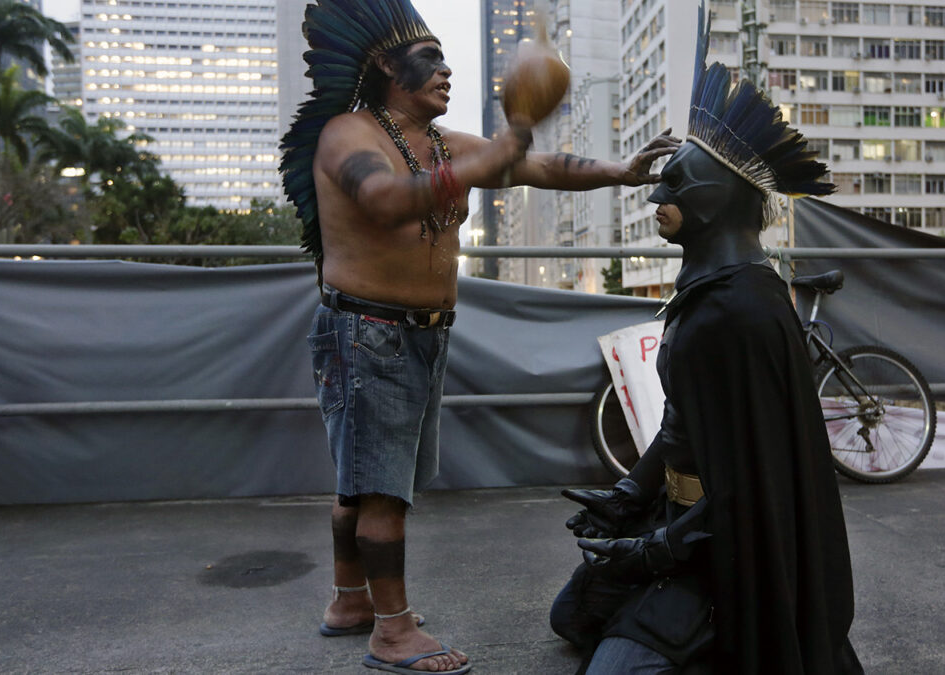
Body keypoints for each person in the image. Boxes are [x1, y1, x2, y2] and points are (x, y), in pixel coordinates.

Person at [278, 1, 678, 672]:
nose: (447, 69)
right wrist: (493, 154)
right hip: (367, 330)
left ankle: (351, 601)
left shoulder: (436, 143)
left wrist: (623, 171)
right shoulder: (349, 135)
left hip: (419, 336)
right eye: (430, 58)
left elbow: (538, 168)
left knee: (365, 479)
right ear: (384, 65)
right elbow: (385, 199)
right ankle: (393, 631)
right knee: (379, 488)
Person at [549, 8, 863, 674]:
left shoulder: (741, 315)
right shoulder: (708, 299)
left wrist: (655, 550)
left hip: (722, 555)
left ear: (716, 200)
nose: (654, 191)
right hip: (683, 521)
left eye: (674, 180)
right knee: (569, 616)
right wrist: (628, 495)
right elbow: (686, 426)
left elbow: (754, 491)